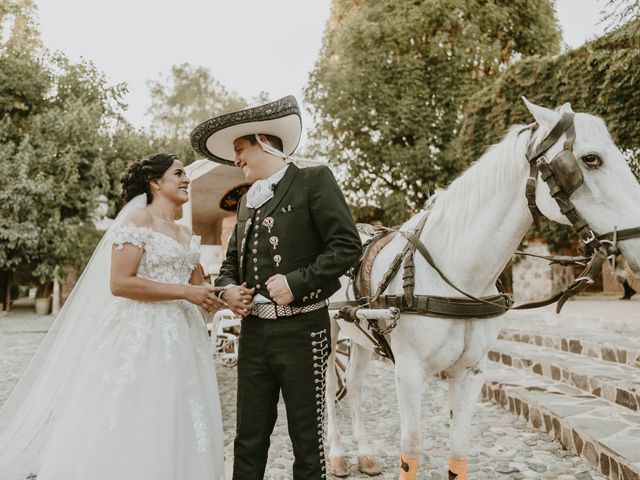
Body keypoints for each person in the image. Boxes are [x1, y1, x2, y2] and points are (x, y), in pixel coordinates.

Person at [0, 153, 226, 480]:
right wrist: (184, 293)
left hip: (183, 341)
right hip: (141, 334)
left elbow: (199, 288)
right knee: (135, 412)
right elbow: (120, 283)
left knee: (176, 415)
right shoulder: (138, 220)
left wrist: (228, 296)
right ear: (155, 182)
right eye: (178, 173)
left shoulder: (183, 233)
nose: (185, 179)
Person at [191, 96, 362, 480]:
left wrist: (296, 283)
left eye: (239, 149)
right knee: (248, 437)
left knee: (307, 440)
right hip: (255, 333)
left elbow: (347, 246)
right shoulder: (247, 202)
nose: (236, 160)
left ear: (263, 141)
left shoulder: (314, 179)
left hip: (304, 330)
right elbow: (232, 262)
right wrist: (228, 290)